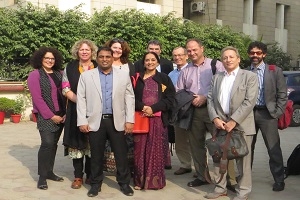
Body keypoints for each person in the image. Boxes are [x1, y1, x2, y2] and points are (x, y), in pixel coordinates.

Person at [76, 46, 135, 197]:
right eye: (101, 57)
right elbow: (81, 99)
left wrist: (130, 120)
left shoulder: (123, 75)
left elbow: (130, 97)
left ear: (112, 57)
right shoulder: (87, 76)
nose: (104, 59)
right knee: (96, 155)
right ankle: (95, 184)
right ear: (97, 58)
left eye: (107, 57)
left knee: (121, 155)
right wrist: (82, 120)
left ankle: (124, 183)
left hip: (118, 121)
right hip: (96, 121)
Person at [206, 46, 258, 200]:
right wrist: (215, 118)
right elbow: (210, 99)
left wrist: (234, 120)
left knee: (243, 161)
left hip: (242, 126)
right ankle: (220, 188)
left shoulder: (249, 76)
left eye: (231, 57)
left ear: (238, 59)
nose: (228, 60)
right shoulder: (217, 77)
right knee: (218, 158)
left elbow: (250, 101)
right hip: (220, 124)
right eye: (225, 58)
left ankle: (243, 191)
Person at [176, 38, 224, 187]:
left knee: (221, 145)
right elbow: (179, 91)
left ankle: (227, 180)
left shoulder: (216, 65)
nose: (192, 53)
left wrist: (205, 97)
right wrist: (190, 99)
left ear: (202, 49)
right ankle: (202, 176)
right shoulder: (186, 70)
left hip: (214, 110)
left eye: (194, 49)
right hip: (194, 112)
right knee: (196, 146)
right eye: (189, 51)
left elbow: (224, 85)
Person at [133, 52, 175, 190]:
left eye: (153, 60)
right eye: (147, 60)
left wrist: (153, 108)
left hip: (157, 121)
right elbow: (130, 97)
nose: (150, 62)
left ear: (158, 62)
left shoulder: (164, 78)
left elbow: (170, 99)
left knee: (155, 152)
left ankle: (155, 182)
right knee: (139, 151)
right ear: (143, 62)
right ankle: (139, 181)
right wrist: (143, 107)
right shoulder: (136, 78)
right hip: (140, 119)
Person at [248, 41, 287, 191]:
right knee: (247, 148)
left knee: (273, 148)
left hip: (268, 114)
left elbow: (282, 94)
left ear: (264, 54)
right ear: (249, 54)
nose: (255, 56)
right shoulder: (245, 71)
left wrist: (277, 113)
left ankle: (279, 179)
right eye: (252, 53)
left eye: (258, 53)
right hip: (249, 114)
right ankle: (245, 178)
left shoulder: (274, 71)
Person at [27, 47, 66, 190]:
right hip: (46, 116)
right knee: (47, 144)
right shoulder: (35, 75)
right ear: (40, 59)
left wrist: (65, 113)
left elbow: (66, 92)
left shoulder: (60, 74)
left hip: (61, 115)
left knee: (54, 144)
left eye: (52, 58)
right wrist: (51, 116)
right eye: (47, 58)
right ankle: (42, 177)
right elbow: (37, 98)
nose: (50, 60)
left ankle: (49, 172)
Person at [62, 39, 98, 189]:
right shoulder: (69, 67)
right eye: (81, 49)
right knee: (76, 144)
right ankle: (78, 176)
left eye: (87, 50)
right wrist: (80, 101)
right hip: (75, 111)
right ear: (77, 51)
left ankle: (90, 174)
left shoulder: (98, 66)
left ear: (92, 52)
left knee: (92, 143)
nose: (84, 52)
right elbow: (65, 88)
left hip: (95, 111)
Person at [168, 47, 193, 175]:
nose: (177, 58)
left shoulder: (192, 70)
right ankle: (185, 164)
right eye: (175, 55)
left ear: (186, 56)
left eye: (180, 55)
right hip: (178, 111)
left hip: (191, 109)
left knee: (195, 139)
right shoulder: (171, 74)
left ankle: (200, 167)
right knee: (180, 139)